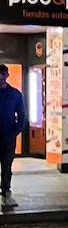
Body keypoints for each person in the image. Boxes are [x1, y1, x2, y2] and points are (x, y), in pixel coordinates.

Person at [0, 67, 25, 210]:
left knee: (6, 167)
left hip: (7, 138)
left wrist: (16, 131)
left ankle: (6, 193)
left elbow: (21, 114)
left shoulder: (15, 94)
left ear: (7, 75)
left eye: (2, 74)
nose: (0, 77)